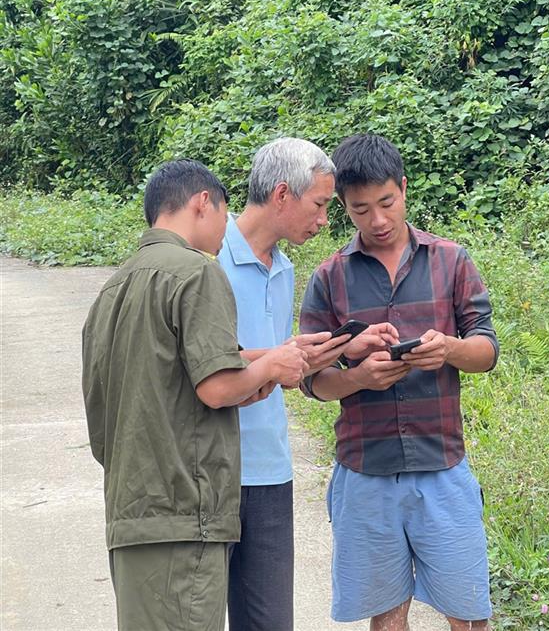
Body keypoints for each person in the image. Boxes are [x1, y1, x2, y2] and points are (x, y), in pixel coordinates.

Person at [81, 159, 310, 631]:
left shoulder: (111, 290)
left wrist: (263, 364)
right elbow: (217, 387)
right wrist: (272, 366)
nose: (227, 227)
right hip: (187, 518)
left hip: (133, 517)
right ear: (202, 202)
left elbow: (108, 412)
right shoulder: (196, 273)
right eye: (226, 212)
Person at [298, 134, 499, 631]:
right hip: (366, 470)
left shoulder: (451, 260)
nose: (379, 220)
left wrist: (448, 349)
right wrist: (359, 378)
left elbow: (487, 351)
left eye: (387, 202)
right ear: (343, 207)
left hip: (443, 464)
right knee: (386, 618)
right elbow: (312, 379)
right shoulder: (330, 277)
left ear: (404, 189)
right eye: (361, 210)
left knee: (470, 612)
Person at [216, 138, 393, 631]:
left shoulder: (286, 267)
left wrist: (340, 349)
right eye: (318, 205)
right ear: (280, 195)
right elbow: (206, 366)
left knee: (271, 621)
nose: (323, 221)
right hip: (213, 469)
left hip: (271, 469)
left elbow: (279, 369)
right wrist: (280, 359)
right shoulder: (209, 259)